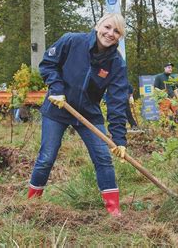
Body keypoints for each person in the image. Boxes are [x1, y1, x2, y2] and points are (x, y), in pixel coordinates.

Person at [27, 13, 128, 217]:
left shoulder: (117, 63)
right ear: (98, 25)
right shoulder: (72, 41)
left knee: (103, 157)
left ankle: (114, 211)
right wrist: (55, 88)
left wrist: (119, 139)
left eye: (116, 31)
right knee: (47, 156)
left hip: (88, 114)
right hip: (57, 108)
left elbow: (117, 101)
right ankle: (31, 204)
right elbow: (48, 63)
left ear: (120, 37)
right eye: (107, 27)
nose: (110, 33)